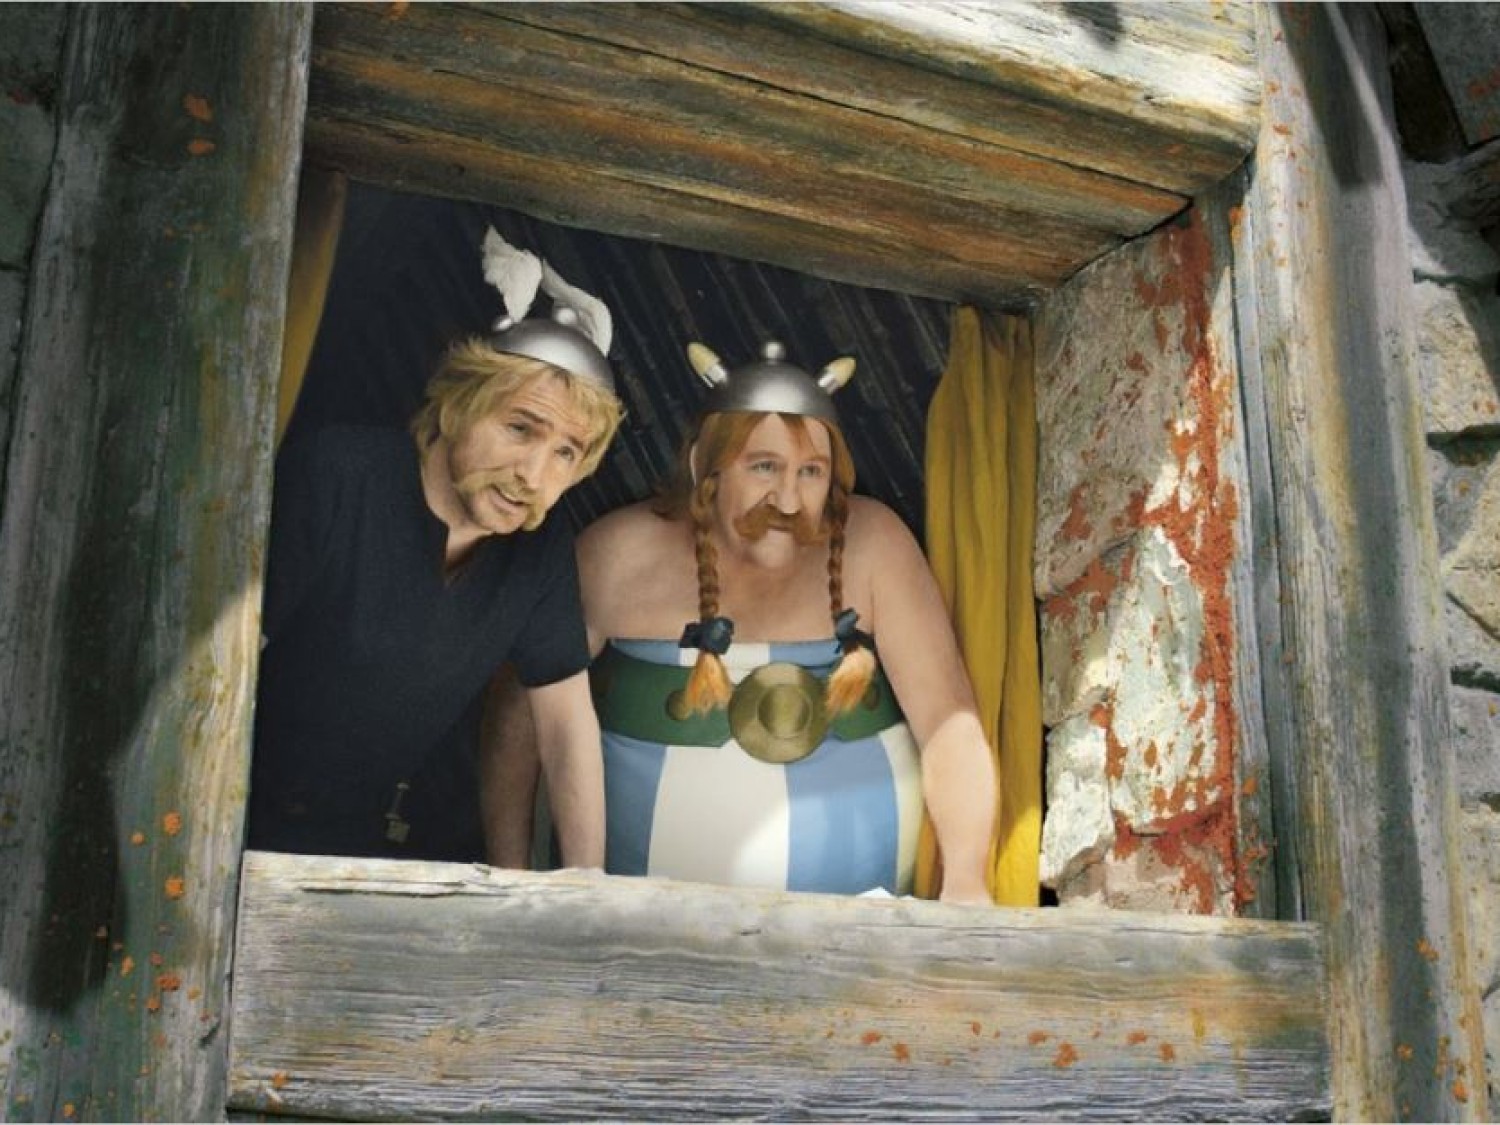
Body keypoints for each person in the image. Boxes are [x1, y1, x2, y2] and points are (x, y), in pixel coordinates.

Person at [557, 338, 997, 903]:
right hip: (638, 932)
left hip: (863, 927)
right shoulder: (617, 553)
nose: (788, 501)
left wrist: (966, 881)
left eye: (811, 472)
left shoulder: (875, 544)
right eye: (764, 467)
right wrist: (512, 870)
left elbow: (948, 723)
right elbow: (523, 720)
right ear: (705, 465)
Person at [248, 229, 624, 867]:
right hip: (229, 812)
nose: (535, 475)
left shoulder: (538, 548)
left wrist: (586, 885)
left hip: (357, 842)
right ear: (456, 406)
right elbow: (224, 660)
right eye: (519, 428)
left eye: (566, 453)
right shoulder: (337, 477)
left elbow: (565, 723)